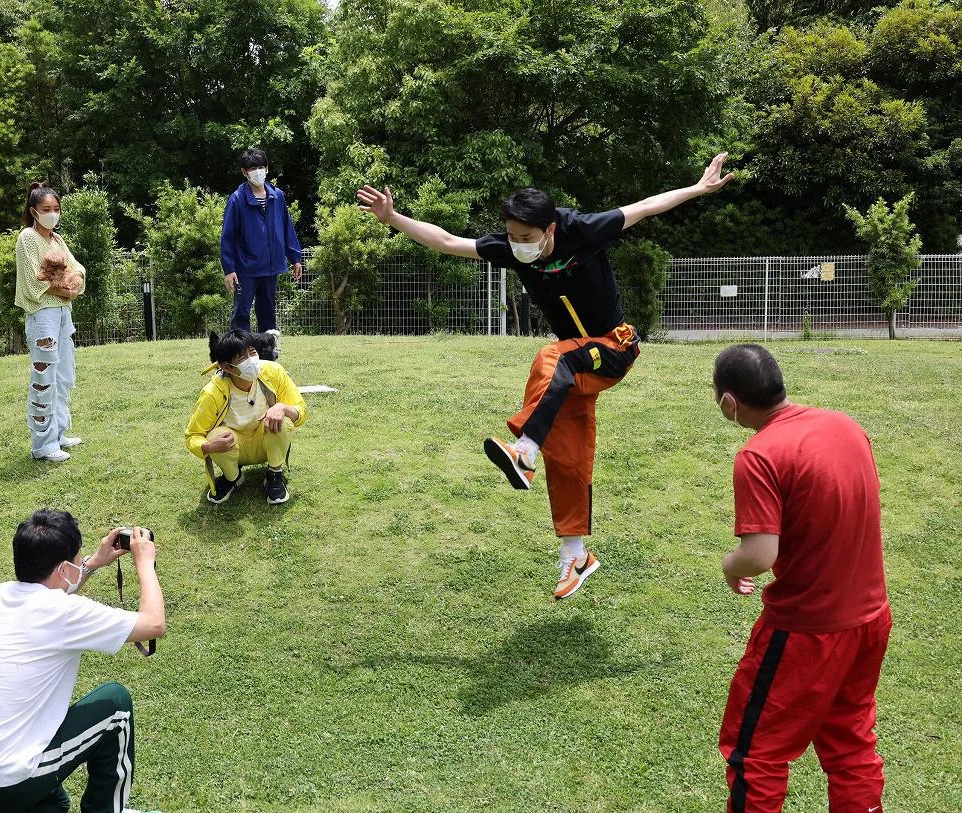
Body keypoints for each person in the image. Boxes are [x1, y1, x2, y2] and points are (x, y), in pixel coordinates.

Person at [356, 153, 734, 598]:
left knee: (552, 358)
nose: (518, 245)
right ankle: (575, 554)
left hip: (612, 348)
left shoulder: (582, 230)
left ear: (550, 228)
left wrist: (698, 188)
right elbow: (446, 241)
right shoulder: (513, 250)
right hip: (575, 367)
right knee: (568, 452)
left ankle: (523, 450)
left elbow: (647, 206)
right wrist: (394, 217)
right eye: (513, 237)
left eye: (527, 237)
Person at [713, 344, 890, 813]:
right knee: (851, 738)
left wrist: (730, 566)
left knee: (757, 753)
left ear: (730, 403)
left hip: (804, 632)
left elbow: (760, 553)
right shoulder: (845, 425)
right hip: (870, 618)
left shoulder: (759, 455)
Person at [0, 510, 168, 813]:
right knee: (115, 704)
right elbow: (154, 624)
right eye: (76, 559)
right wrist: (144, 563)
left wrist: (94, 562)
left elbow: (56, 588)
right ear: (63, 568)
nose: (80, 563)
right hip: (7, 778)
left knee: (53, 806)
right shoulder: (65, 612)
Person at [185, 329, 305, 505]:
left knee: (282, 420)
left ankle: (274, 474)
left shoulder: (274, 372)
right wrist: (208, 446)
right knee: (215, 435)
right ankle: (232, 477)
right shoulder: (212, 392)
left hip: (266, 442)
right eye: (242, 357)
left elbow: (300, 411)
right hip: (234, 447)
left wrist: (282, 407)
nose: (252, 361)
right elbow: (192, 436)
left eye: (253, 352)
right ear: (226, 366)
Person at [16, 182, 86, 462]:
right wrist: (67, 290)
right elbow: (35, 283)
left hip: (61, 313)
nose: (53, 214)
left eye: (56, 209)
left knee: (63, 374)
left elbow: (77, 268)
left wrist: (75, 283)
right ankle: (42, 443)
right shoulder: (27, 238)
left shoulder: (57, 240)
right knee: (44, 377)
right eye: (47, 209)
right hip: (42, 315)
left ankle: (58, 432)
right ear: (34, 211)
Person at [220, 147, 304, 333]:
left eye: (260, 167)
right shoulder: (237, 199)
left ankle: (268, 357)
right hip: (245, 270)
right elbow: (228, 237)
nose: (257, 171)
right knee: (241, 314)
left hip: (270, 268)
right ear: (244, 172)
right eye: (252, 168)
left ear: (267, 168)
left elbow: (287, 228)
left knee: (268, 314)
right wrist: (229, 269)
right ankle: (239, 357)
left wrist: (296, 258)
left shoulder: (277, 196)